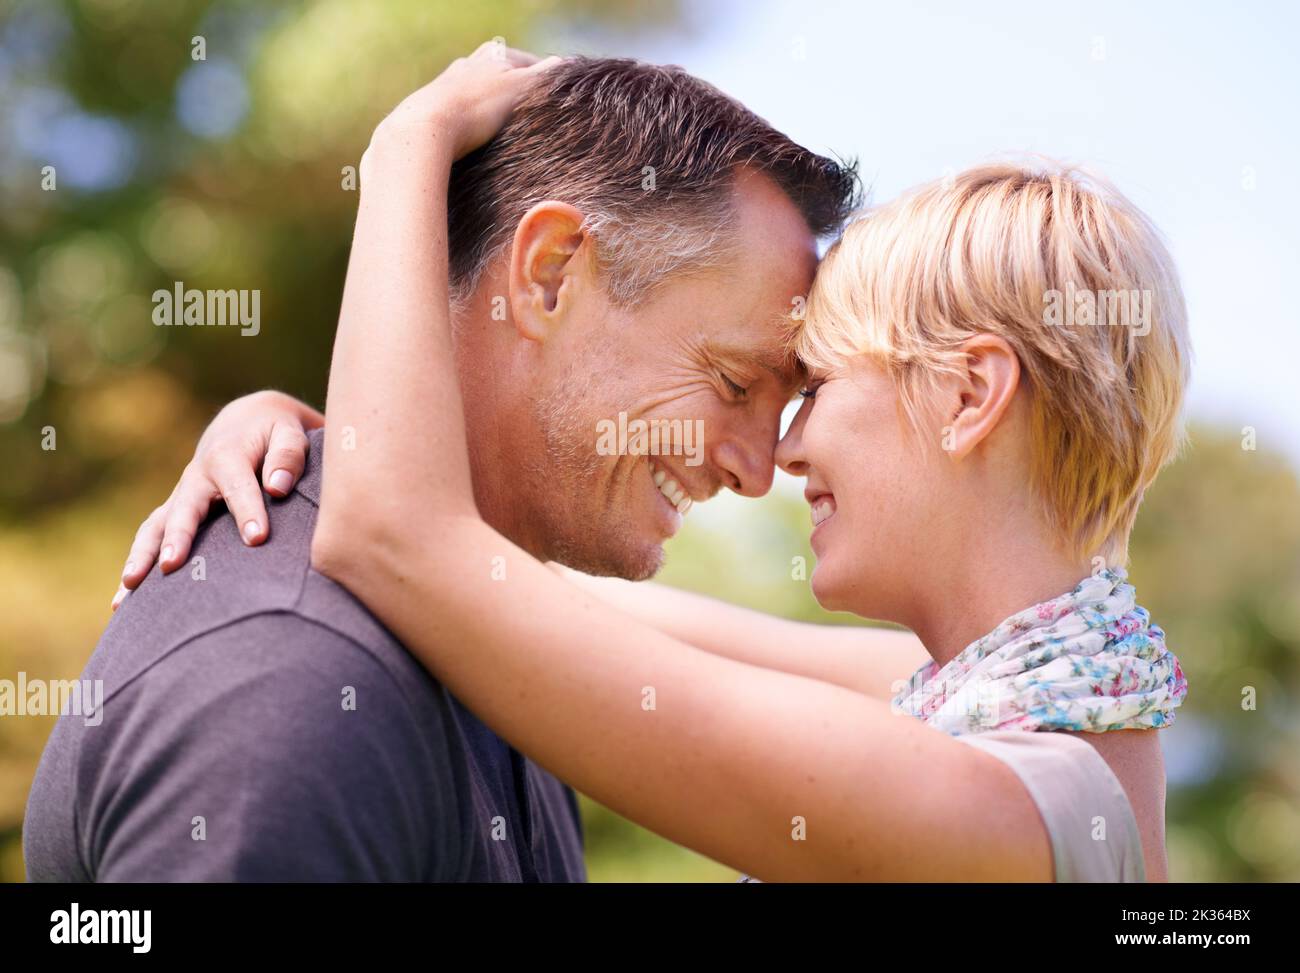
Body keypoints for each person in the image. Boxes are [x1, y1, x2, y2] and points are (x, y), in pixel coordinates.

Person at [110, 44, 1191, 881]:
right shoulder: (996, 715)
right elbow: (526, 595)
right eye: (743, 383)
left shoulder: (1002, 805)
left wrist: (408, 144)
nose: (778, 455)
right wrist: (312, 435)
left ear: (967, 396)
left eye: (813, 388)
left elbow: (400, 539)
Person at [22, 48, 861, 882]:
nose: (759, 471)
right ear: (551, 274)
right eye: (732, 380)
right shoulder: (292, 686)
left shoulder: (500, 648)